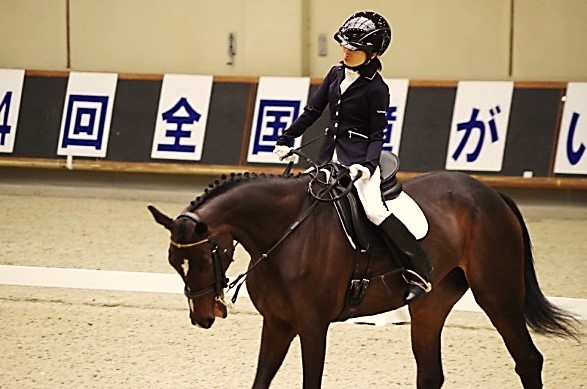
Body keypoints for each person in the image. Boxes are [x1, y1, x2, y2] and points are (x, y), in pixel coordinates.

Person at [273, 11, 432, 304]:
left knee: (374, 211)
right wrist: (286, 138)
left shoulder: (377, 89)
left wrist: (367, 167)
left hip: (360, 162)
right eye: (344, 45)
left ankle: (418, 270)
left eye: (354, 48)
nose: (346, 51)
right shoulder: (335, 74)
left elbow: (376, 135)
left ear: (371, 54)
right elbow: (312, 112)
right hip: (327, 157)